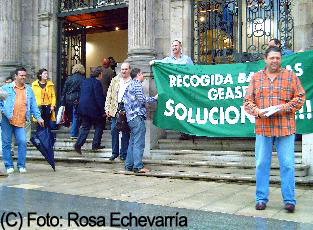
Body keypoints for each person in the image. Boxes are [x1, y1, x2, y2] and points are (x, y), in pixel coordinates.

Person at [244, 46, 305, 213]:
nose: (275, 61)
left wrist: (283, 107)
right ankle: (261, 199)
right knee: (261, 164)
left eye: (277, 58)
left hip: (285, 128)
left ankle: (290, 201)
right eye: (272, 58)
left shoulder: (290, 77)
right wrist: (256, 111)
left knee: (288, 165)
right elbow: (247, 101)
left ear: (281, 59)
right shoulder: (256, 78)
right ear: (265, 59)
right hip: (263, 128)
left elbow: (300, 98)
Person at [0, 67, 44, 174]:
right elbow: (0, 102)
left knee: (23, 142)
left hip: (21, 120)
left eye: (25, 75)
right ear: (16, 76)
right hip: (7, 119)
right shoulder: (6, 88)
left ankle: (21, 165)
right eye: (21, 75)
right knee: (6, 143)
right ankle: (9, 165)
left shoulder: (28, 89)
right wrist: (3, 110)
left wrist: (38, 117)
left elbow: (33, 104)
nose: (23, 77)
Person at [150, 39, 194, 140]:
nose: (174, 47)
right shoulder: (168, 60)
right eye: (173, 46)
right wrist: (153, 62)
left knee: (187, 109)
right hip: (175, 90)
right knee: (179, 109)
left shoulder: (187, 59)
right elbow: (160, 63)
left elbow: (193, 72)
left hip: (185, 90)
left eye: (176, 45)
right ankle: (182, 131)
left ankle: (189, 130)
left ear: (180, 46)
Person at [123, 68, 158, 173]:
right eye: (142, 74)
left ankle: (129, 165)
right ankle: (138, 166)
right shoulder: (137, 84)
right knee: (139, 142)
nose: (143, 76)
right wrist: (154, 98)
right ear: (138, 75)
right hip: (137, 116)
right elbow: (142, 99)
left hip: (130, 117)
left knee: (132, 142)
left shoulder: (129, 85)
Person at [74, 66, 106, 154]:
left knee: (85, 127)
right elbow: (98, 98)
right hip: (93, 109)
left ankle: (78, 144)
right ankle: (95, 144)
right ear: (99, 74)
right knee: (100, 124)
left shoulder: (85, 81)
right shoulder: (97, 83)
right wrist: (103, 111)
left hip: (83, 108)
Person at [105, 63, 131, 161]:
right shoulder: (115, 80)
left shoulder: (132, 81)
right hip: (115, 106)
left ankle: (123, 153)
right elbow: (109, 95)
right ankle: (114, 152)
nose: (124, 71)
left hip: (127, 108)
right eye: (122, 69)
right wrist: (107, 108)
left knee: (125, 131)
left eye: (126, 69)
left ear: (129, 70)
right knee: (113, 130)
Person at [61, 63, 86, 138]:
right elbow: (83, 90)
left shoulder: (69, 78)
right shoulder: (82, 79)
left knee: (72, 115)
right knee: (76, 116)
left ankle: (72, 129)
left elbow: (64, 91)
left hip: (68, 98)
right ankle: (73, 133)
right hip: (77, 99)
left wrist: (63, 102)